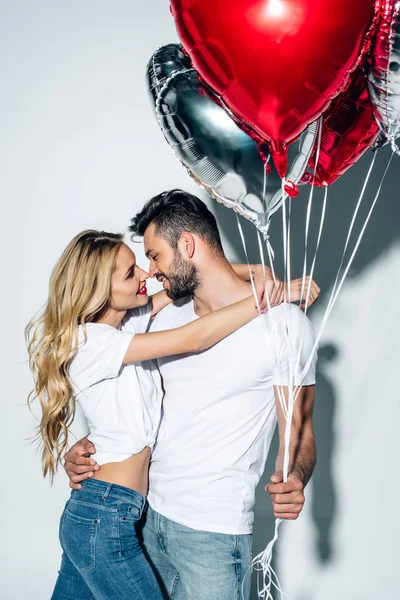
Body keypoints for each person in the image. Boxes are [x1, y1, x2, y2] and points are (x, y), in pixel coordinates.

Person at [64, 190, 319, 600]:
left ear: (186, 245)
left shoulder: (285, 326)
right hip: (139, 521)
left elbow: (301, 429)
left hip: (212, 536)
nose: (151, 273)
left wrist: (294, 476)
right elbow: (127, 396)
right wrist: (90, 447)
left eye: (154, 257)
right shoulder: (158, 315)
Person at [26, 229, 280, 600]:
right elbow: (193, 337)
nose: (146, 275)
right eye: (130, 273)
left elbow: (187, 283)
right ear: (99, 288)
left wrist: (256, 270)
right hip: (104, 517)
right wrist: (272, 298)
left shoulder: (126, 323)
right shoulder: (90, 343)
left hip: (110, 514)